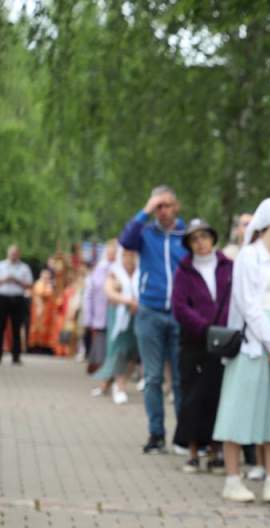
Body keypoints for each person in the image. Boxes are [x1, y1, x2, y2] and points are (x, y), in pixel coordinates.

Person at [211, 198, 270, 503]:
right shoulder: (248, 256)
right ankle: (232, 478)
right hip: (254, 342)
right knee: (239, 409)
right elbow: (248, 304)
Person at [119, 185, 187, 454]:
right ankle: (156, 434)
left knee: (181, 379)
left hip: (180, 314)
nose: (163, 211)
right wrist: (144, 211)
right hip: (150, 311)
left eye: (167, 205)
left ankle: (184, 436)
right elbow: (126, 240)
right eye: (158, 206)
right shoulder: (146, 233)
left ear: (177, 206)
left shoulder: (186, 234)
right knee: (153, 377)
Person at [171, 219, 233, 473]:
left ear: (212, 238)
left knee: (219, 394)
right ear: (189, 244)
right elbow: (180, 306)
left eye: (204, 237)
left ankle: (216, 449)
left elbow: (234, 297)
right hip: (195, 341)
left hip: (224, 340)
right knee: (193, 395)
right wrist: (205, 327)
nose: (201, 243)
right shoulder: (184, 271)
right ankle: (193, 449)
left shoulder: (228, 266)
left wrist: (222, 327)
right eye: (195, 239)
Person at [92, 248, 140, 404]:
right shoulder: (114, 272)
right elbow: (109, 292)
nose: (129, 258)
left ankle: (111, 384)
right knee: (118, 351)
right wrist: (129, 301)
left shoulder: (141, 272)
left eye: (131, 255)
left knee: (132, 352)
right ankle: (118, 386)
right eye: (125, 255)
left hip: (137, 316)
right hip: (119, 317)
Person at [82, 240, 117, 374]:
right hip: (100, 316)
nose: (112, 254)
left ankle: (110, 373)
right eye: (110, 251)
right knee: (100, 345)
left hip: (116, 315)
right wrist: (88, 317)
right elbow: (89, 295)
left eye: (115, 252)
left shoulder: (121, 269)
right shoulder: (99, 269)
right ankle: (101, 372)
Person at [0, 244, 34, 365]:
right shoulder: (1, 265)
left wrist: (17, 281)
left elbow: (30, 285)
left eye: (15, 254)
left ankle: (16, 356)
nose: (13, 256)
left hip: (18, 299)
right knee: (1, 327)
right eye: (11, 253)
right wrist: (5, 279)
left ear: (18, 254)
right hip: (2, 299)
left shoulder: (24, 268)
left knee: (16, 328)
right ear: (7, 253)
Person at [28, 269, 56, 353]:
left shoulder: (49, 285)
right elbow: (39, 295)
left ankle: (45, 346)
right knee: (37, 327)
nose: (46, 277)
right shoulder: (39, 284)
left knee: (47, 328)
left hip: (48, 311)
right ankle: (36, 346)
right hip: (39, 309)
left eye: (48, 276)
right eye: (45, 275)